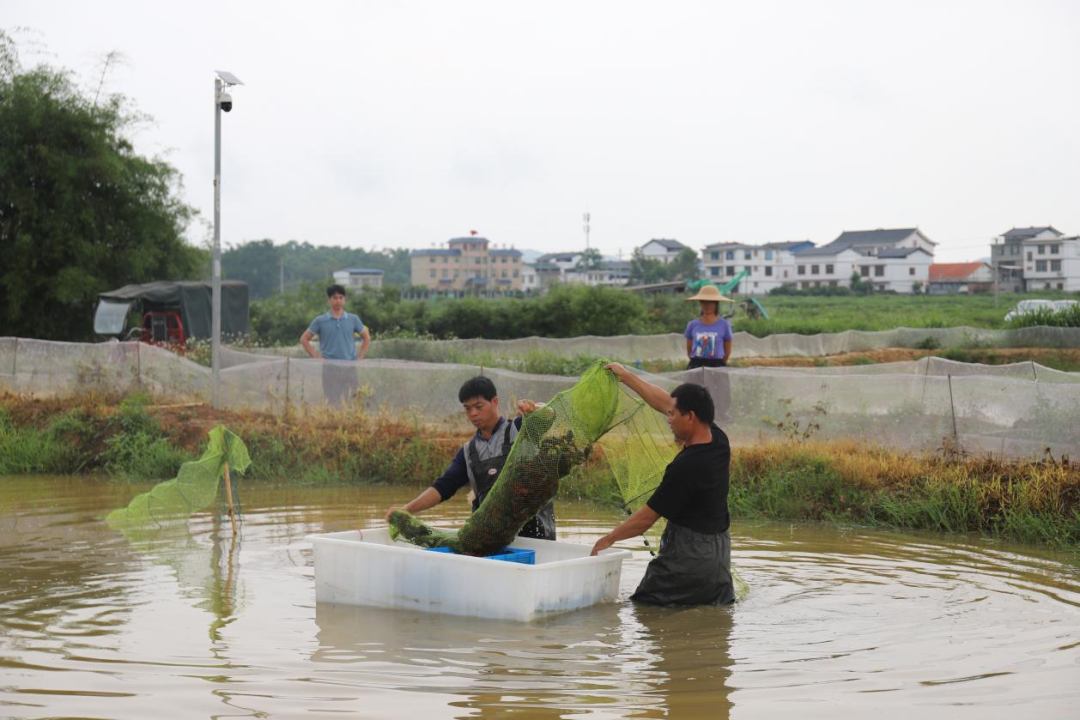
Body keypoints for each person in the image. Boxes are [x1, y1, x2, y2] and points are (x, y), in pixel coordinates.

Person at [591, 363, 735, 606]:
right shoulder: (718, 440)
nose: (668, 420)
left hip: (689, 558)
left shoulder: (686, 467)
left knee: (642, 610)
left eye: (672, 415)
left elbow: (646, 519)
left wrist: (607, 539)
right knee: (710, 618)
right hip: (719, 559)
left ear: (690, 417)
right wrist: (625, 376)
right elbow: (663, 401)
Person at [387, 376, 556, 540]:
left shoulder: (519, 428)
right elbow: (443, 487)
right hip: (493, 538)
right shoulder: (468, 452)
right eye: (468, 408)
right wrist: (407, 509)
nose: (473, 413)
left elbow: (548, 416)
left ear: (494, 402)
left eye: (478, 406)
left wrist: (534, 409)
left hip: (535, 535)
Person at [300, 284, 371, 406]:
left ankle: (351, 424)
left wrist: (360, 357)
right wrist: (316, 357)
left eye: (341, 297)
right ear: (329, 299)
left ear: (344, 299)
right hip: (329, 368)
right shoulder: (320, 320)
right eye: (335, 297)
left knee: (352, 399)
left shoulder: (353, 319)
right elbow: (304, 339)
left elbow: (366, 337)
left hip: (350, 367)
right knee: (332, 400)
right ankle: (334, 424)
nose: (338, 300)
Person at [683, 284, 733, 370]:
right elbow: (689, 351)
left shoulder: (724, 325)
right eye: (703, 301)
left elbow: (727, 352)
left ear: (716, 303)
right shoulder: (692, 325)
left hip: (717, 366)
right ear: (700, 303)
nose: (707, 305)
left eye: (710, 302)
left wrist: (717, 364)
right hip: (696, 366)